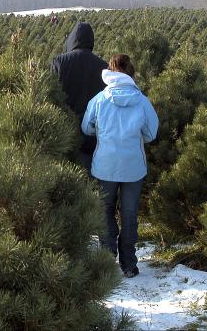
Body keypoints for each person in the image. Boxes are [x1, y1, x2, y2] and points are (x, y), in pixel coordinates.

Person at [81, 54, 159, 278]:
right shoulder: (142, 101)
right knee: (130, 213)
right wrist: (133, 138)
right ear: (131, 72)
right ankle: (129, 264)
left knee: (105, 210)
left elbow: (87, 127)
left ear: (110, 72)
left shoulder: (99, 99)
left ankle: (107, 256)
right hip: (133, 167)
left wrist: (105, 134)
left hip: (105, 165)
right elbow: (151, 133)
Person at [51, 22, 108, 171]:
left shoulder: (60, 62)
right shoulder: (103, 66)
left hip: (64, 134)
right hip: (92, 137)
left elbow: (51, 97)